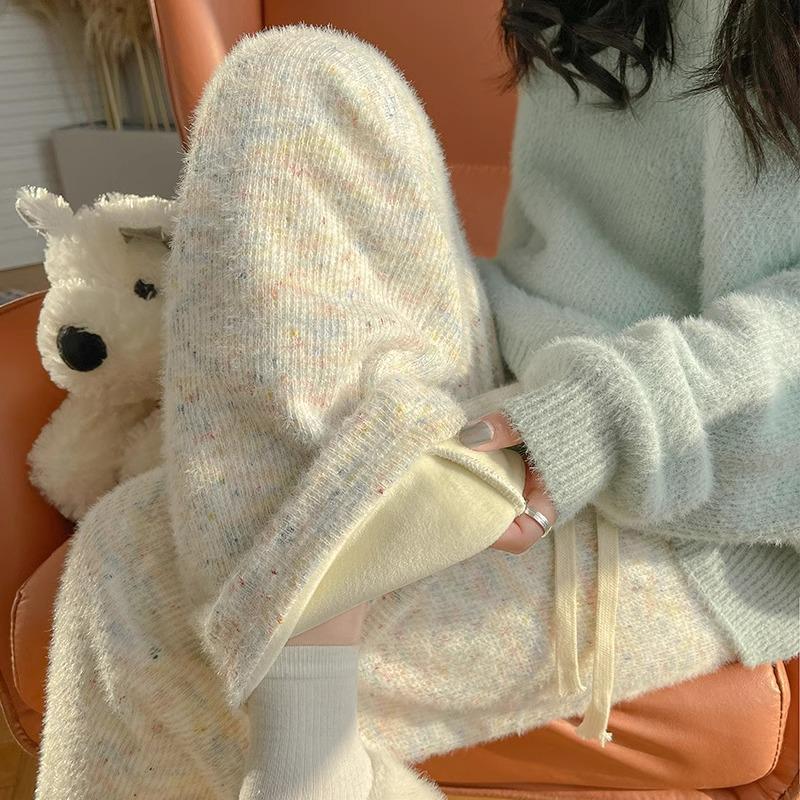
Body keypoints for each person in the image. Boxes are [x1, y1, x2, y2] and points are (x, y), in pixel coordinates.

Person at [33, 2, 799, 799]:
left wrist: (596, 416)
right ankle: (312, 748)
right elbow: (557, 269)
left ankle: (307, 758)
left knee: (137, 584)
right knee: (290, 74)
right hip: (513, 386)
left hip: (704, 482)